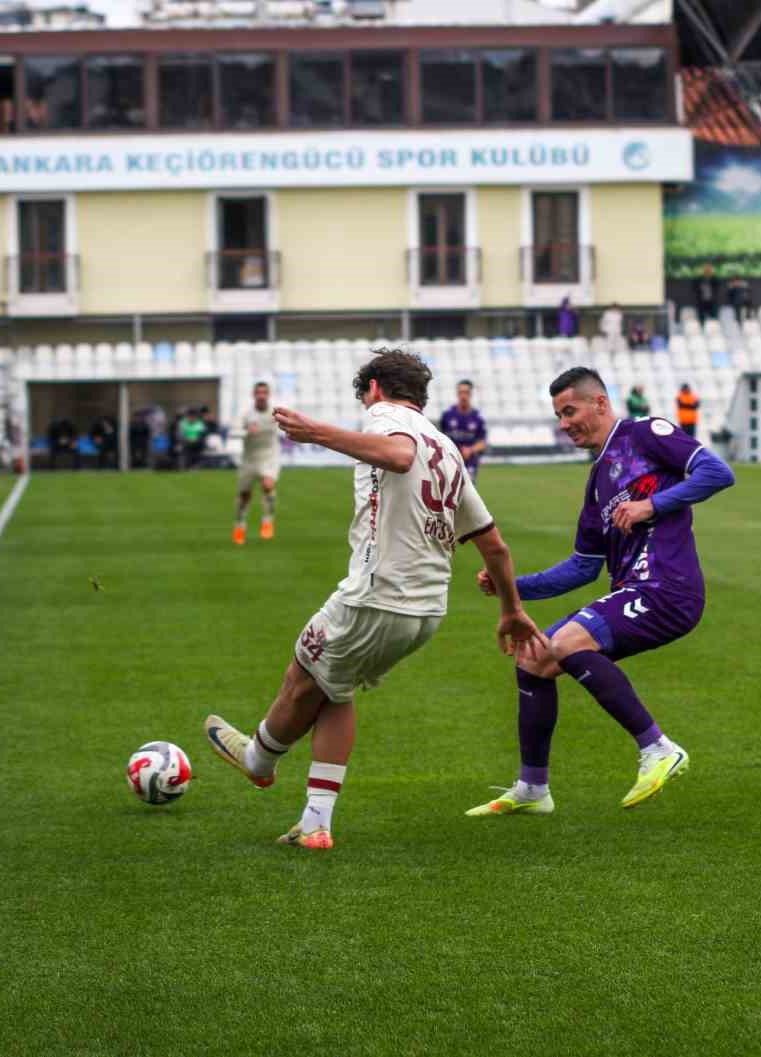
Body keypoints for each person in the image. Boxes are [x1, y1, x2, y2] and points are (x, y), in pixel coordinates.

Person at [203, 349, 545, 850]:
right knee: (335, 688)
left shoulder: (386, 417)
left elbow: (399, 455)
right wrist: (512, 609)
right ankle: (316, 822)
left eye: (365, 394)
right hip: (427, 612)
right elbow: (493, 542)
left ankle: (259, 760)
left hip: (376, 596)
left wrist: (316, 432)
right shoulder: (448, 449)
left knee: (302, 673)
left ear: (377, 389)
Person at [466, 366, 736, 817]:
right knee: (533, 658)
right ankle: (533, 788)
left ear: (601, 403)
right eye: (558, 415)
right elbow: (581, 568)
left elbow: (717, 472)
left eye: (570, 410)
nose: (564, 423)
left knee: (567, 641)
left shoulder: (645, 433)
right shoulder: (596, 486)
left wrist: (653, 504)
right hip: (634, 590)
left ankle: (659, 749)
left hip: (668, 588)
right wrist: (509, 586)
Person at [233, 381, 281, 545]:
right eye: (258, 392)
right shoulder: (246, 413)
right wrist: (247, 431)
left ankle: (267, 521)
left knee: (268, 486)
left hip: (269, 456)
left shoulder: (275, 411)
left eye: (264, 393)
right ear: (254, 395)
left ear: (268, 395)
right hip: (249, 458)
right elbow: (234, 431)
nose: (261, 396)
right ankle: (240, 525)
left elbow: (288, 423)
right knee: (244, 495)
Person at [440, 379, 488, 482]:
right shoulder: (447, 415)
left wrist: (470, 450)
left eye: (466, 392)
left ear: (470, 394)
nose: (463, 396)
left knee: (467, 493)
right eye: (461, 392)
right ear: (457, 394)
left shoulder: (477, 417)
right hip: (450, 461)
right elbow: (440, 439)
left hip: (470, 462)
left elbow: (482, 443)